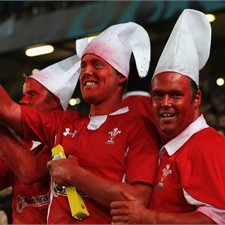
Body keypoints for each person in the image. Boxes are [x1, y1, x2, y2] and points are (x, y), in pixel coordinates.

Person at [0, 22, 160, 224]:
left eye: (97, 64)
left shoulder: (139, 128)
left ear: (120, 76)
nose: (86, 72)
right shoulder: (64, 123)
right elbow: (7, 110)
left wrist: (76, 176)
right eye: (84, 65)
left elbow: (137, 198)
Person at [110, 9, 225, 224]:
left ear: (196, 98)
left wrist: (148, 218)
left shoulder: (209, 146)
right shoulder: (166, 146)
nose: (165, 104)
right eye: (158, 95)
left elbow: (217, 219)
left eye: (175, 95)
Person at [0, 55, 80, 224]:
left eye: (32, 94)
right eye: (23, 94)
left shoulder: (68, 131)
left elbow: (30, 171)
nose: (22, 101)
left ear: (55, 102)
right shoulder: (25, 143)